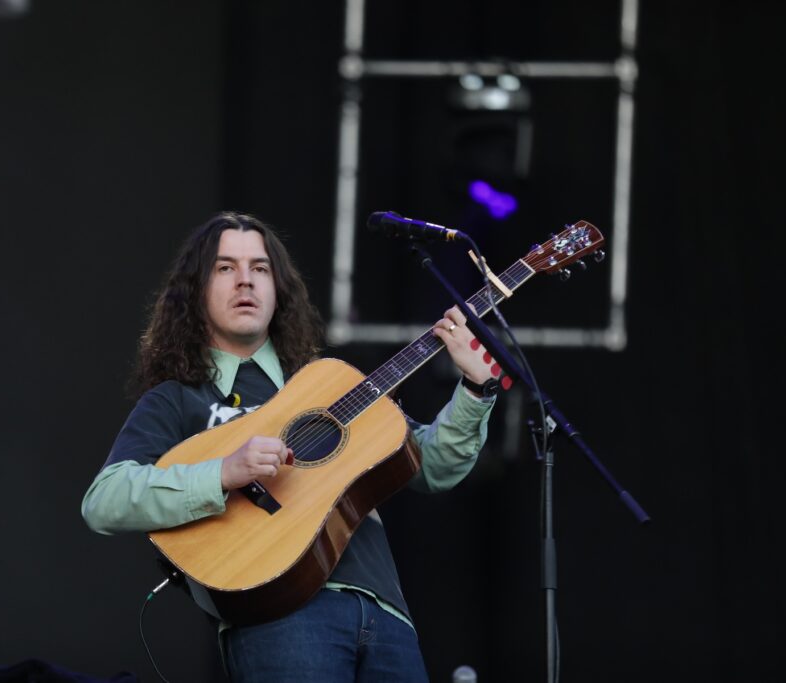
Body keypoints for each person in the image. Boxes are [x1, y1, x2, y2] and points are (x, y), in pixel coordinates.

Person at [82, 211, 498, 682]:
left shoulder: (330, 385)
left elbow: (431, 467)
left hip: (387, 613)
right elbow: (104, 500)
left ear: (278, 289)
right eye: (225, 268)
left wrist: (476, 391)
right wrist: (221, 472)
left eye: (260, 269)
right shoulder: (179, 397)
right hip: (283, 615)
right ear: (196, 292)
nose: (246, 281)